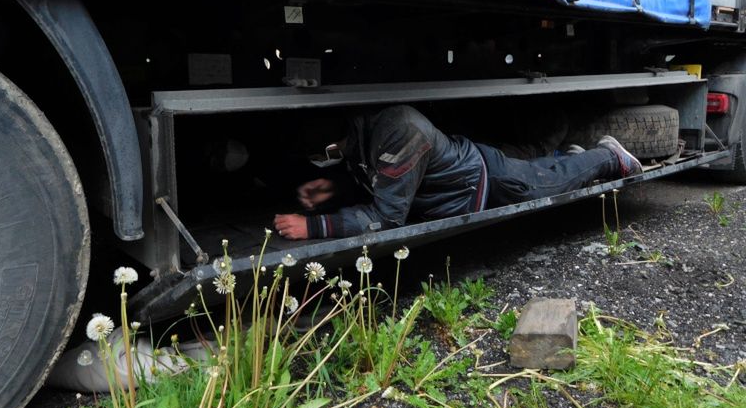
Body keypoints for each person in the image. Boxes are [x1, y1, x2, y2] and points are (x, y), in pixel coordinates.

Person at [273, 105, 642, 240]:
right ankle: (572, 159)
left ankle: (607, 156)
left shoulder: (399, 130)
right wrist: (334, 188)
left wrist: (316, 227)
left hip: (483, 183)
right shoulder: (358, 135)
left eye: (326, 156)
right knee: (547, 170)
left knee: (548, 185)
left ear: (337, 142)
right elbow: (378, 178)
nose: (326, 160)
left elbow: (387, 217)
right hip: (469, 175)